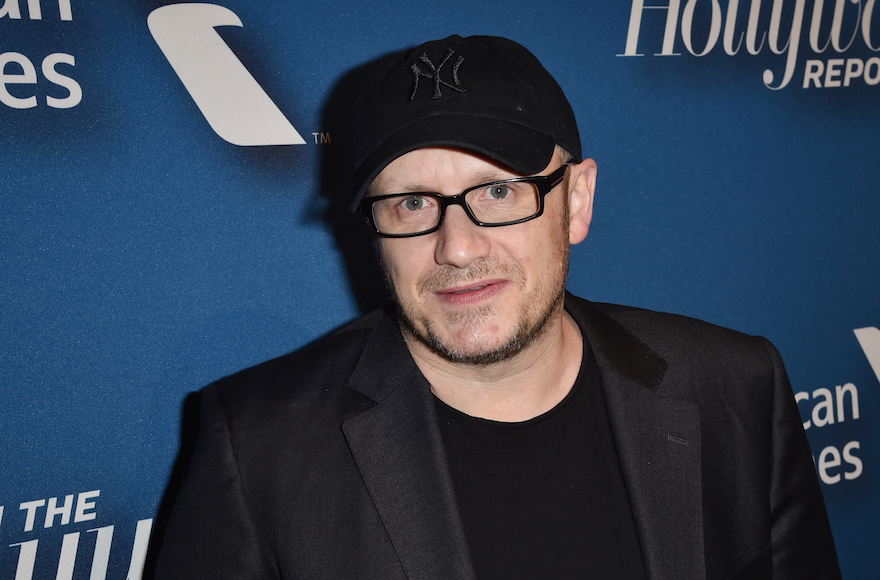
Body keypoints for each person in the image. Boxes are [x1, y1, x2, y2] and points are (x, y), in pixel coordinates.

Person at [154, 35, 841, 579]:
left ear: (576, 200)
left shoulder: (736, 386)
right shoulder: (257, 447)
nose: (456, 247)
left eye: (499, 193)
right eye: (412, 202)